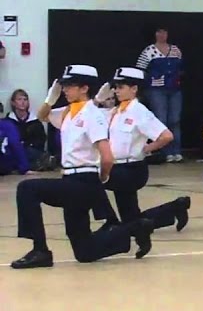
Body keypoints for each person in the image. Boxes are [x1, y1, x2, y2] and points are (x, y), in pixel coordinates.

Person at [9, 66, 154, 269]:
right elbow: (43, 116)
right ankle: (133, 229)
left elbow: (107, 156)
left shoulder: (91, 114)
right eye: (64, 85)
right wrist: (50, 99)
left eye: (70, 86)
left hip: (83, 182)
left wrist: (101, 179)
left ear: (84, 87)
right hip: (70, 180)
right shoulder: (70, 113)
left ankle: (40, 250)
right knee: (84, 252)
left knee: (27, 189)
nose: (65, 90)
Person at [97, 67, 192, 231]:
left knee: (91, 180)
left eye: (121, 87)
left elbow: (166, 136)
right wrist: (98, 100)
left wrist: (146, 148)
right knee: (131, 220)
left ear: (134, 89)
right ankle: (175, 208)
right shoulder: (117, 111)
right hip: (118, 166)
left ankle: (110, 221)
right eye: (115, 87)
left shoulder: (139, 111)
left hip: (131, 169)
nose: (116, 91)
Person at [136, 26, 185, 163]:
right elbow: (140, 69)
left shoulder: (175, 50)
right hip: (156, 90)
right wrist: (151, 81)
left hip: (174, 89)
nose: (162, 34)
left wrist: (176, 79)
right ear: (155, 34)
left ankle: (176, 151)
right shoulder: (149, 51)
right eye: (159, 32)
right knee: (161, 119)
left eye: (164, 32)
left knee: (175, 119)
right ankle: (165, 152)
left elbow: (181, 68)